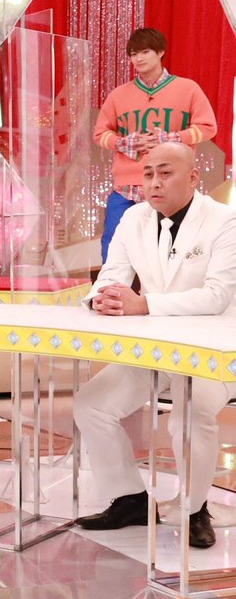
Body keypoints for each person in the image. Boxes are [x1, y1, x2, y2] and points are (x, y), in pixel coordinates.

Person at [74, 142, 236, 549]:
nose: (154, 183)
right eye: (148, 174)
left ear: (193, 178)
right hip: (155, 349)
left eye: (165, 173)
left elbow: (217, 296)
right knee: (92, 404)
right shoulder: (133, 218)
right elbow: (111, 275)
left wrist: (144, 304)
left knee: (189, 415)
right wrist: (102, 298)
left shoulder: (225, 220)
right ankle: (130, 498)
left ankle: (195, 509)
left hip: (213, 352)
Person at [94, 27, 216, 263]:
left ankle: (164, 288)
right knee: (115, 245)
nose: (138, 59)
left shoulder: (187, 88)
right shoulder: (119, 95)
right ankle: (113, 285)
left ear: (160, 52)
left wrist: (171, 139)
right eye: (133, 54)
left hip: (172, 184)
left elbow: (208, 127)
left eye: (145, 52)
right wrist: (124, 142)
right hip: (127, 186)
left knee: (171, 246)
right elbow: (100, 133)